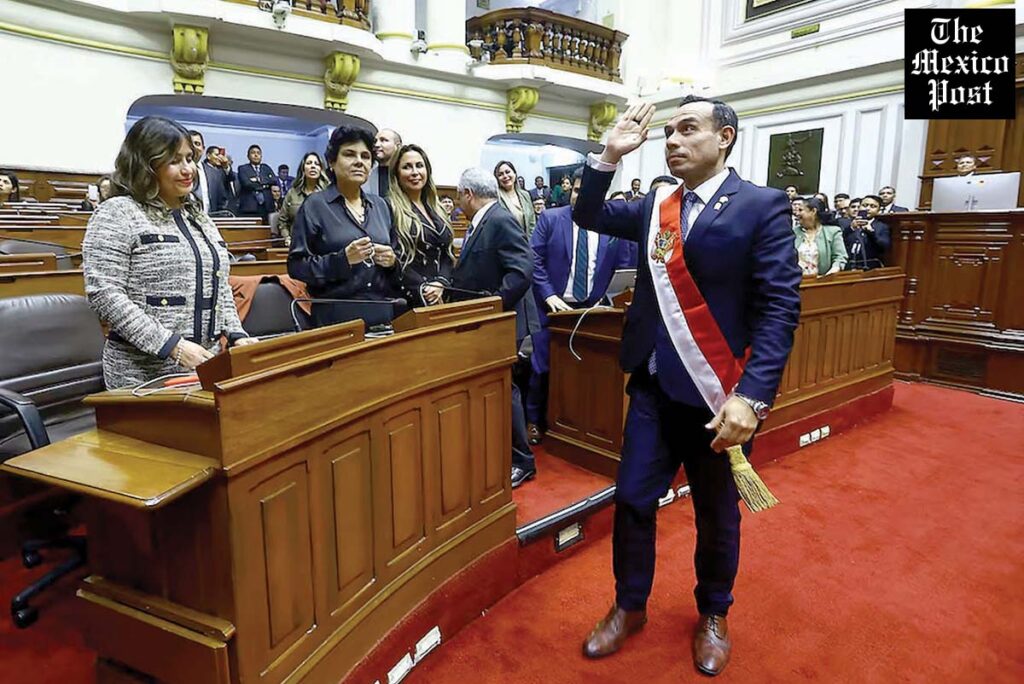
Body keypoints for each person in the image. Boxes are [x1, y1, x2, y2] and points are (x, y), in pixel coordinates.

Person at [573, 97, 801, 677]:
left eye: (688, 129)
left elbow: (779, 309)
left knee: (717, 514)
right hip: (652, 386)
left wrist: (752, 397)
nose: (673, 139)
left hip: (717, 396)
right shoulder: (657, 205)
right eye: (668, 131)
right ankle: (629, 606)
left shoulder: (762, 205)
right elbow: (588, 214)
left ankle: (714, 613)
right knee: (632, 500)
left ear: (725, 137)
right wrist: (609, 155)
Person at [82, 116, 256, 390]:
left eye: (190, 158)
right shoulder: (117, 213)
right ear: (145, 164)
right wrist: (172, 346)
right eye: (174, 161)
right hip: (142, 376)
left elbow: (220, 286)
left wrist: (236, 334)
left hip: (204, 366)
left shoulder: (199, 217)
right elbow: (105, 294)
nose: (188, 169)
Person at [526, 167, 636, 444]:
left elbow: (623, 267)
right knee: (543, 368)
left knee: (583, 373)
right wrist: (549, 295)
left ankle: (573, 424)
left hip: (593, 311)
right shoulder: (551, 218)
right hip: (552, 307)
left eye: (587, 191)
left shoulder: (612, 226)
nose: (581, 196)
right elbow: (534, 260)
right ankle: (533, 420)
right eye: (576, 190)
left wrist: (606, 298)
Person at [450, 168, 535, 488]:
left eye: (459, 196)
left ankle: (523, 460)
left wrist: (493, 306)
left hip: (501, 322)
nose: (458, 203)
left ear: (468, 194)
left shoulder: (499, 219)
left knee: (505, 389)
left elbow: (522, 270)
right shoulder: (483, 220)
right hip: (485, 323)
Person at [288, 125, 403, 327]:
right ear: (332, 162)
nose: (359, 161)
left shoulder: (381, 206)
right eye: (349, 154)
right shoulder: (315, 206)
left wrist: (392, 262)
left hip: (382, 314)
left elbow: (398, 259)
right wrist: (343, 260)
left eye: (366, 156)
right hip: (336, 317)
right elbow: (297, 267)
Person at [388, 144, 455, 307]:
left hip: (443, 292)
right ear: (396, 174)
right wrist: (426, 289)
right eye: (407, 167)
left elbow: (447, 253)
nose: (415, 172)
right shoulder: (389, 208)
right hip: (411, 297)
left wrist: (441, 283)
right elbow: (395, 259)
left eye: (419, 165)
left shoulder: (437, 208)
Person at [278, 151, 329, 246]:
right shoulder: (292, 193)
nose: (313, 166)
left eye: (316, 164)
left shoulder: (328, 193)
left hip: (323, 244)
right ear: (303, 169)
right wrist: (286, 237)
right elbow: (282, 220)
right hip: (297, 243)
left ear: (321, 169)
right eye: (309, 163)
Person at [794, 196, 847, 276]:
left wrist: (834, 270)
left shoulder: (833, 232)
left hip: (822, 280)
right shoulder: (793, 232)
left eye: (801, 210)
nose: (797, 214)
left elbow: (840, 257)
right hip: (795, 281)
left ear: (813, 211)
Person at [843, 194, 890, 270]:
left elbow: (884, 246)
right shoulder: (847, 223)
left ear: (878, 210)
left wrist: (871, 232)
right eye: (865, 205)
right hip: (848, 266)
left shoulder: (881, 226)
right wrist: (851, 228)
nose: (868, 208)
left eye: (873, 206)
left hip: (869, 267)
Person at [494, 160, 537, 238]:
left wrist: (529, 241)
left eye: (507, 172)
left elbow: (532, 222)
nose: (505, 176)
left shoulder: (525, 195)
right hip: (505, 241)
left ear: (515, 174)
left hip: (525, 241)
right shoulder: (495, 197)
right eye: (500, 174)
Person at [237, 144, 276, 222]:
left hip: (267, 207)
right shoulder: (243, 168)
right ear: (248, 156)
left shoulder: (266, 167)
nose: (256, 155)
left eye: (258, 153)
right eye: (253, 153)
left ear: (261, 156)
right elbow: (247, 184)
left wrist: (257, 180)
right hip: (249, 207)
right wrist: (265, 185)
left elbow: (273, 180)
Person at [363, 127, 401, 197]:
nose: (376, 145)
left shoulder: (405, 173)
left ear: (397, 146)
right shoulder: (366, 175)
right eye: (375, 141)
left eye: (383, 140)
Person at [202, 146, 235, 214]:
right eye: (216, 155)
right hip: (208, 205)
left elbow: (231, 178)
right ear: (208, 156)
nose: (219, 158)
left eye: (221, 156)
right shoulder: (202, 168)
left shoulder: (221, 170)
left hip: (223, 207)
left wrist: (226, 166)